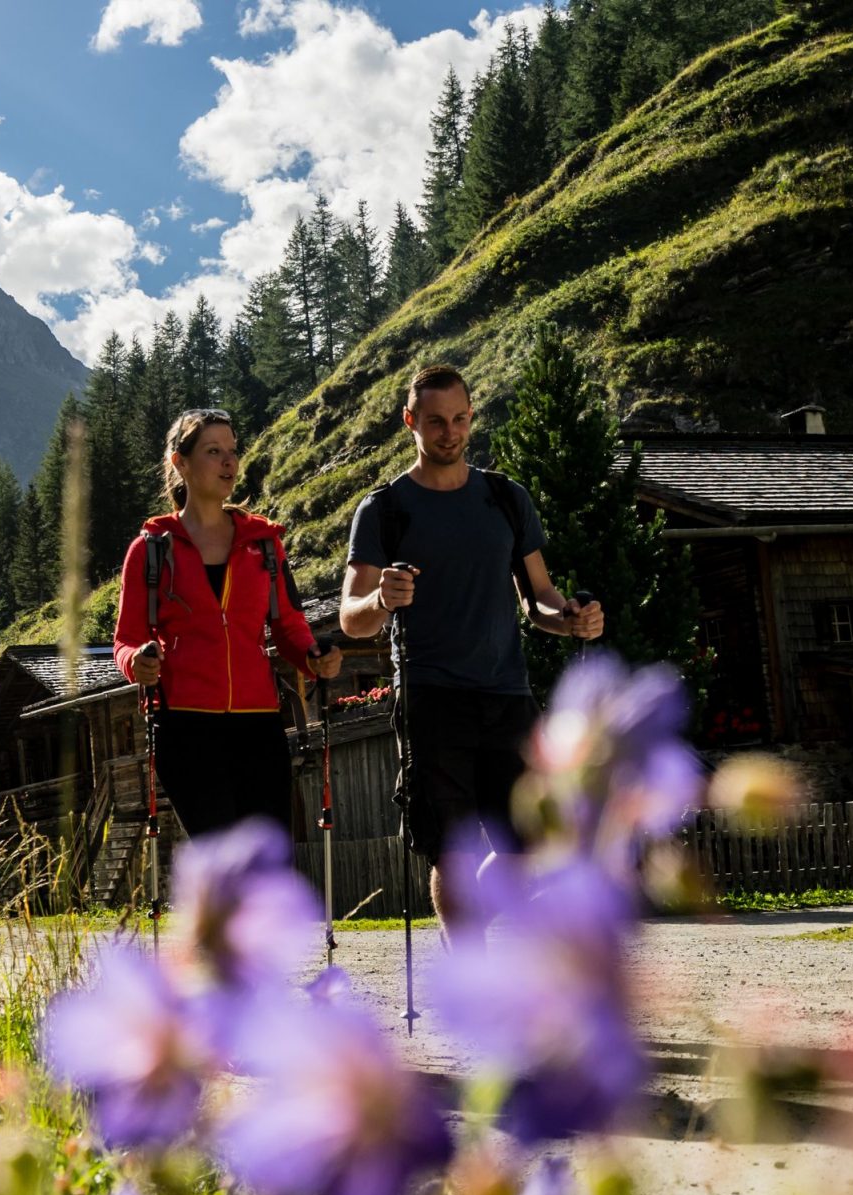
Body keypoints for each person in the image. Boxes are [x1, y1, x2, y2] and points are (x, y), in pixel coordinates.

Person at [339, 364, 604, 945]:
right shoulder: (383, 510)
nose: (450, 432)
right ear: (410, 422)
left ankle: (479, 929)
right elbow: (351, 618)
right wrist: (382, 596)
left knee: (534, 843)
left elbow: (539, 601)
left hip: (507, 696)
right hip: (431, 701)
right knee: (455, 853)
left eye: (460, 419)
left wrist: (573, 620)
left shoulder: (506, 499)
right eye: (435, 422)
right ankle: (473, 974)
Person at [113, 408, 342, 839]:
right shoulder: (149, 551)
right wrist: (136, 664)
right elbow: (127, 640)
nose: (229, 463)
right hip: (183, 727)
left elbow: (289, 626)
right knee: (221, 859)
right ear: (180, 463)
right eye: (213, 452)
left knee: (265, 857)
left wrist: (314, 657)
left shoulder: (266, 544)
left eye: (232, 452)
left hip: (259, 723)